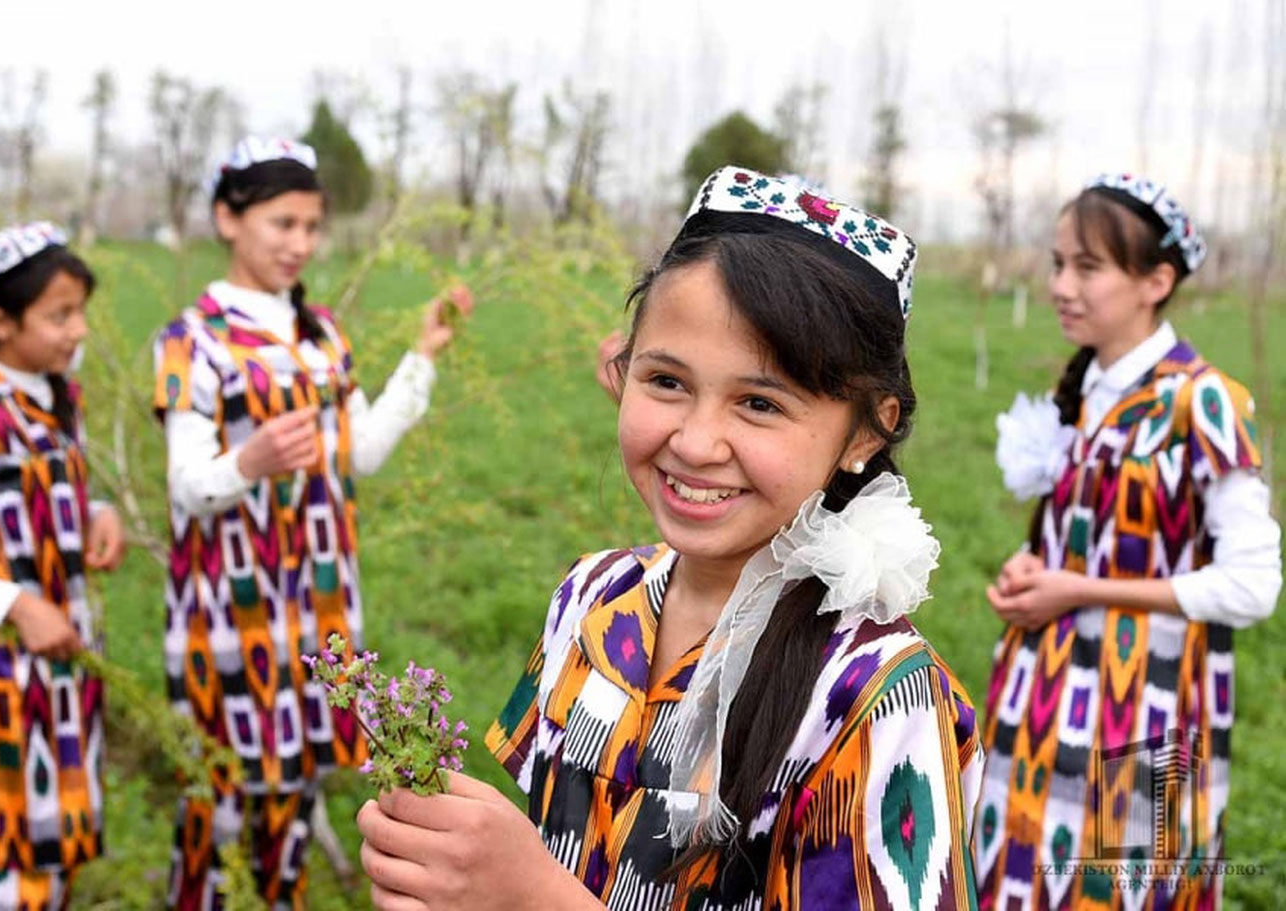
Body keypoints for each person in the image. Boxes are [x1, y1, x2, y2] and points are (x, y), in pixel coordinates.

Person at [355, 167, 982, 910]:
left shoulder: (876, 696)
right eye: (667, 382)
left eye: (758, 402)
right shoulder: (590, 598)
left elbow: (542, 882)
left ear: (866, 432)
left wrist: (532, 896)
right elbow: (557, 843)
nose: (695, 440)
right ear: (621, 371)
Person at [153, 136, 472, 909]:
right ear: (229, 218)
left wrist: (422, 356)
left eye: (311, 226)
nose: (300, 244)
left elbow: (356, 453)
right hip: (231, 606)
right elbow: (189, 484)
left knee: (294, 780)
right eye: (281, 223)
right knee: (222, 789)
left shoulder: (321, 333)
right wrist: (250, 462)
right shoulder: (190, 340)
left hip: (319, 601)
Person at [979, 173, 1282, 909]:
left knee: (1119, 882)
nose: (1061, 285)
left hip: (1148, 700)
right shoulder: (1085, 386)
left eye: (1088, 267)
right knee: (1016, 867)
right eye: (1057, 263)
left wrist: (1080, 588)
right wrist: (1037, 565)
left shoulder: (1202, 399)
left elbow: (1253, 585)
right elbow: (1092, 529)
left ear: (1157, 279)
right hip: (1042, 690)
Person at [0, 222, 127, 909]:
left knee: (52, 838)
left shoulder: (60, 393)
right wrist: (16, 603)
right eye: (59, 315)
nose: (78, 331)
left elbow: (71, 482)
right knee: (10, 847)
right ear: (0, 321)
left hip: (60, 655)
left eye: (80, 312)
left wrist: (99, 512)